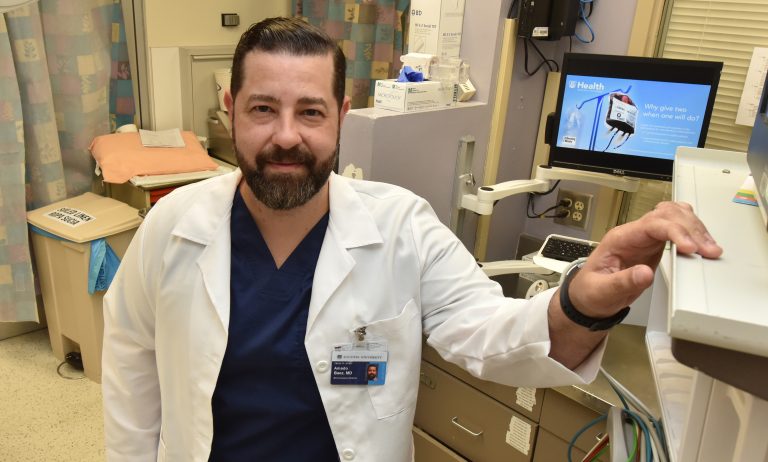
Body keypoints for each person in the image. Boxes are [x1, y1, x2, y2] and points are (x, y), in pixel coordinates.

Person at [101, 17, 722, 462]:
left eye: (311, 112)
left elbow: (489, 332)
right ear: (230, 109)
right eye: (264, 109)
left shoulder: (402, 225)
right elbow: (131, 365)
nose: (287, 135)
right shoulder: (172, 225)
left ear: (341, 117)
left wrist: (581, 302)